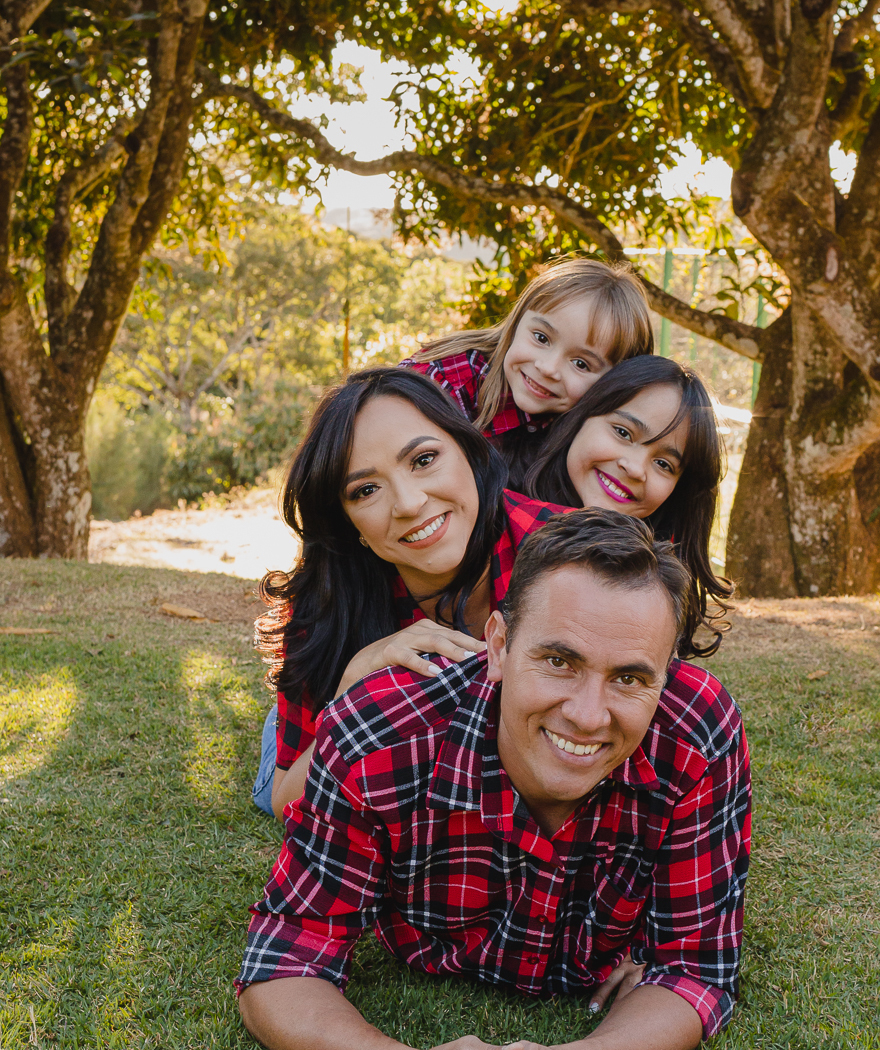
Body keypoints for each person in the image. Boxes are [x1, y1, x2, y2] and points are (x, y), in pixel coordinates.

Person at [238, 510, 751, 1050]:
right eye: (559, 660)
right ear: (500, 645)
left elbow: (697, 969)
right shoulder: (378, 736)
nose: (589, 715)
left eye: (629, 677)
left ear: (665, 674)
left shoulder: (698, 733)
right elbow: (282, 962)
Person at [252, 367, 570, 820]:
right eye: (365, 490)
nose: (408, 503)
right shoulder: (324, 604)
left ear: (467, 449)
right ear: (347, 522)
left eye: (423, 460)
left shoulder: (559, 551)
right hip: (334, 721)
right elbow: (288, 801)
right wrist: (354, 685)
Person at [524, 354, 733, 657]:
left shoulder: (659, 579)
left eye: (663, 463)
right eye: (623, 433)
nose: (635, 468)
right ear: (580, 417)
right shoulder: (492, 518)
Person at [401, 259, 654, 488]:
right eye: (541, 338)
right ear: (518, 321)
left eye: (580, 364)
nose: (548, 368)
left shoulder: (594, 431)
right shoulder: (445, 381)